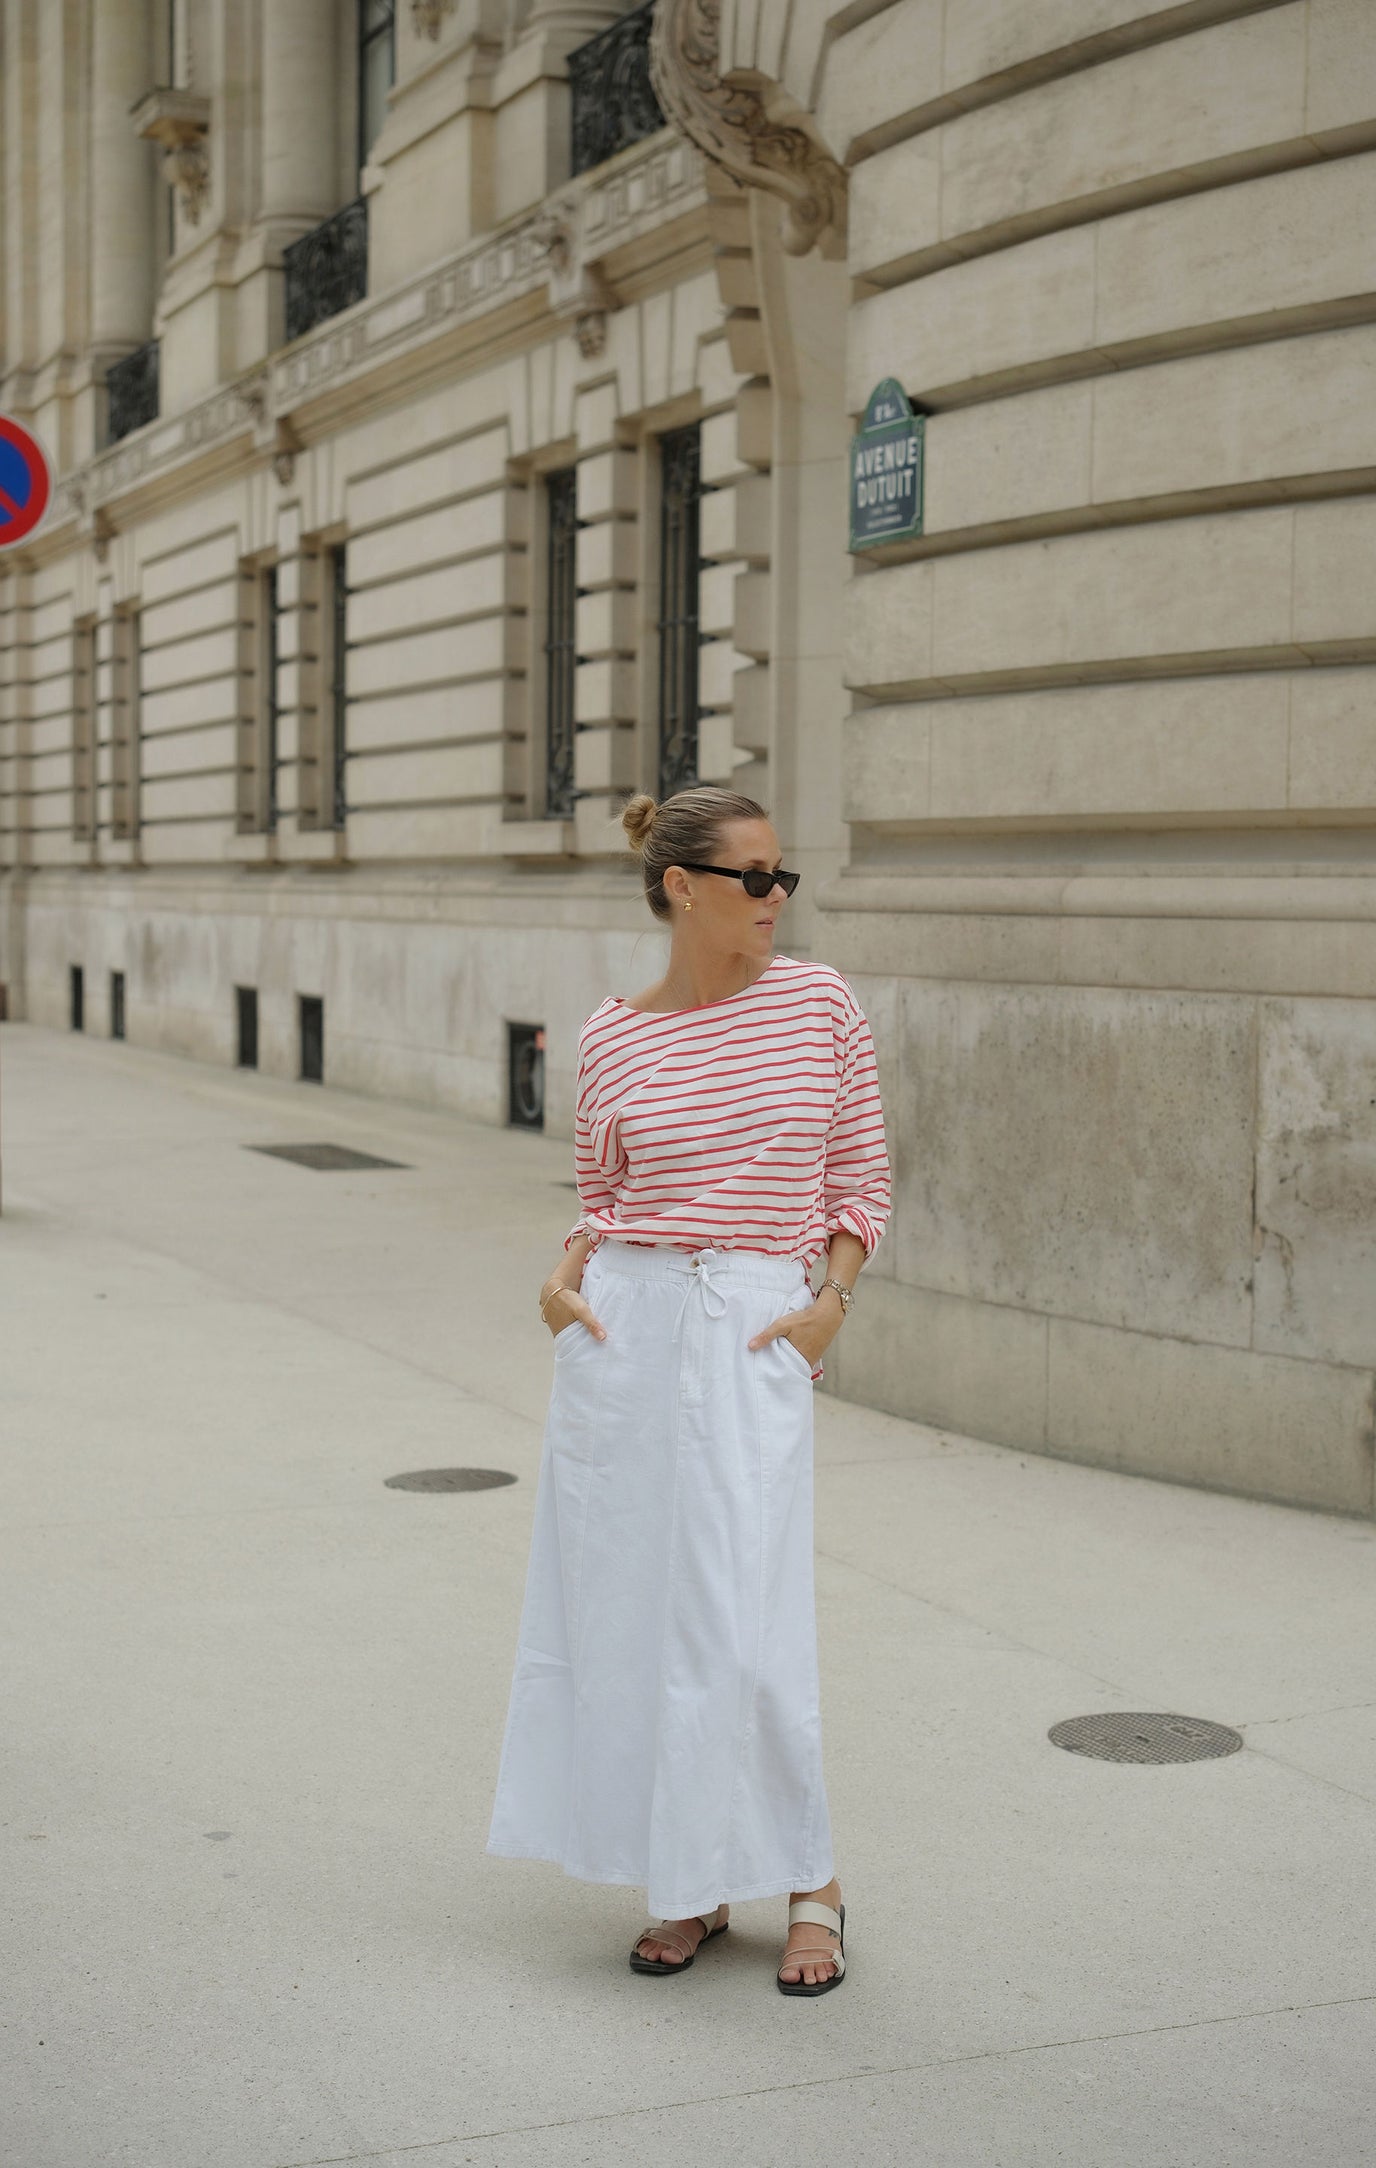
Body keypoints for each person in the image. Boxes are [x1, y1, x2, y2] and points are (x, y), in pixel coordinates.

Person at [486, 785, 891, 1994]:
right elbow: (599, 1194)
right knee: (626, 1614)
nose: (776, 898)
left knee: (743, 1610)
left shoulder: (817, 1002)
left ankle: (810, 1878)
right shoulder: (612, 1029)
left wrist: (830, 1301)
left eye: (783, 877)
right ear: (680, 886)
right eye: (752, 877)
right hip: (626, 1325)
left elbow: (858, 1170)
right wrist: (564, 1282)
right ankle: (689, 1882)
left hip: (753, 1323)